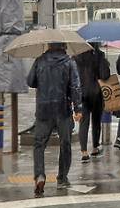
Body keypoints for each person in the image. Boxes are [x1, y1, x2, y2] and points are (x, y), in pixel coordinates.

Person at [27, 43, 82, 198]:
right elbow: (76, 87)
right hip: (63, 109)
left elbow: (30, 81)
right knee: (65, 143)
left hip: (43, 110)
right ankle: (62, 178)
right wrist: (78, 108)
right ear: (64, 46)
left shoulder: (39, 61)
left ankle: (40, 175)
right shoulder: (69, 62)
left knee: (39, 144)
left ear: (49, 46)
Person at [74, 42, 110, 162]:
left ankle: (84, 152)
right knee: (96, 121)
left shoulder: (77, 56)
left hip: (82, 93)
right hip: (96, 93)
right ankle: (95, 148)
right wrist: (105, 62)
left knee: (83, 123)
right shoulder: (99, 56)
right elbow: (105, 75)